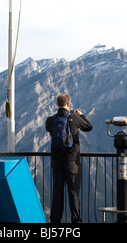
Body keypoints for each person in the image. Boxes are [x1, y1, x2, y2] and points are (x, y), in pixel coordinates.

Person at [45, 94, 93, 224]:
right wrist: (81, 115)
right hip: (72, 162)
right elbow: (89, 127)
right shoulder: (74, 118)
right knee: (73, 193)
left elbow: (49, 129)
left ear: (57, 104)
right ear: (68, 104)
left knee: (57, 193)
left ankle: (55, 222)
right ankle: (76, 222)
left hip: (57, 162)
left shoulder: (50, 120)